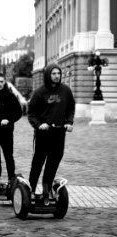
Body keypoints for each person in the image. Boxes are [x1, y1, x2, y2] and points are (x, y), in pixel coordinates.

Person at [27, 63, 75, 203]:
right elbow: (31, 113)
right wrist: (39, 125)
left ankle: (46, 190)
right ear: (48, 75)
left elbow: (71, 107)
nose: (56, 76)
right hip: (44, 133)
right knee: (38, 163)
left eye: (58, 73)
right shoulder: (40, 92)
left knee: (53, 163)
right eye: (53, 74)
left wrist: (69, 122)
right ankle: (31, 189)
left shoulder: (66, 90)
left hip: (59, 133)